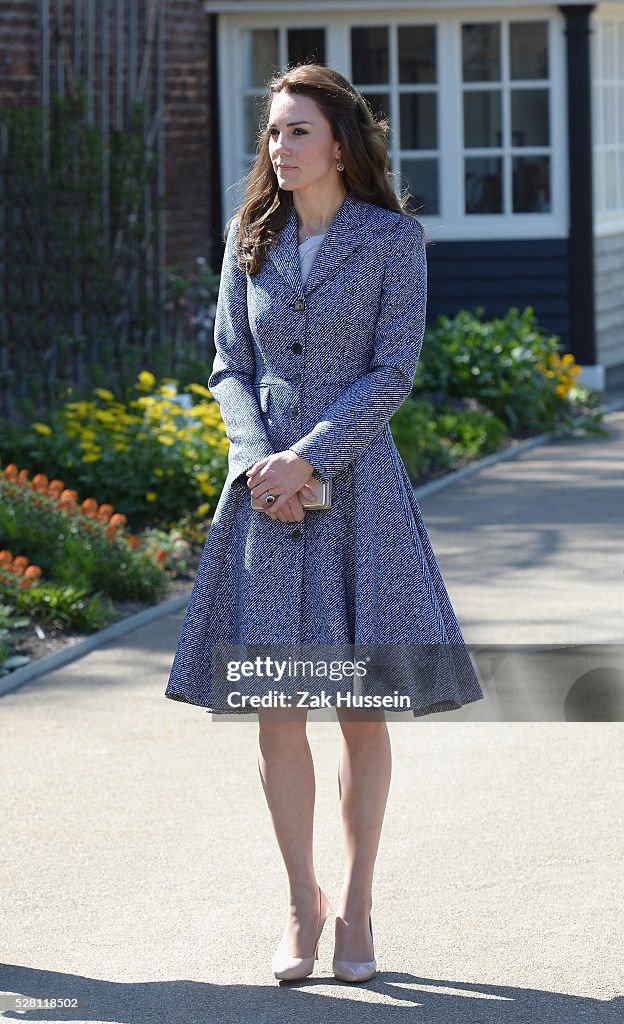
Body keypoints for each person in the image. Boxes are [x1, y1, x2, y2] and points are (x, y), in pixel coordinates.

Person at [164, 62, 485, 984]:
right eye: (272, 133)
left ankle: (357, 905)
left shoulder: (393, 239)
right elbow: (228, 364)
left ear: (339, 143)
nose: (279, 148)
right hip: (263, 499)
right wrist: (258, 461)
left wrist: (311, 456)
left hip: (357, 498)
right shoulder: (248, 235)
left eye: (297, 131)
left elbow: (394, 368)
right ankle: (300, 906)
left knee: (358, 709)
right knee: (277, 707)